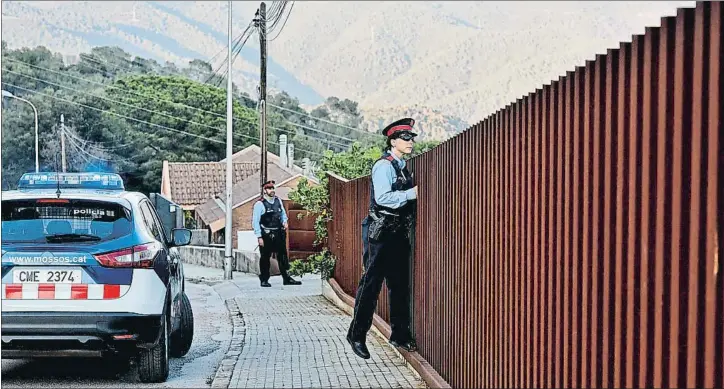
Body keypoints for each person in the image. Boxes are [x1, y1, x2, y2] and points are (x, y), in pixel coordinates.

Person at [346, 117, 419, 359]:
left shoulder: (401, 166)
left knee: (399, 285)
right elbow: (384, 198)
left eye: (411, 138)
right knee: (371, 284)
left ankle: (399, 335)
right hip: (381, 232)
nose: (411, 142)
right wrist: (411, 194)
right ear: (393, 140)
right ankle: (356, 335)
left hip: (397, 232)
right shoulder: (384, 166)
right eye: (406, 138)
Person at [252, 180, 302, 287]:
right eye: (269, 188)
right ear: (265, 190)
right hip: (266, 234)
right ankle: (264, 279)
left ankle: (286, 278)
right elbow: (255, 222)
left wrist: (285, 221)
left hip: (279, 232)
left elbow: (283, 214)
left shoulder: (278, 201)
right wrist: (259, 236)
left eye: (273, 188)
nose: (272, 190)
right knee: (265, 257)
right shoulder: (260, 204)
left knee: (282, 256)